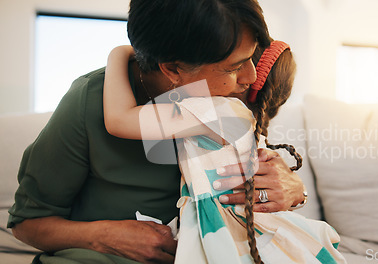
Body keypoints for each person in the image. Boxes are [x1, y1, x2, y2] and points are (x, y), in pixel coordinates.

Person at [7, 1, 306, 263]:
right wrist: (105, 235)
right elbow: (26, 223)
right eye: (234, 68)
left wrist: (294, 191)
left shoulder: (234, 100)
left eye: (251, 59)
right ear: (173, 69)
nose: (250, 78)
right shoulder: (90, 100)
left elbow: (266, 181)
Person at [102, 36, 346, 264]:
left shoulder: (219, 111)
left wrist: (119, 53)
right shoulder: (244, 121)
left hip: (227, 230)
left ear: (242, 77)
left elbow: (119, 120)